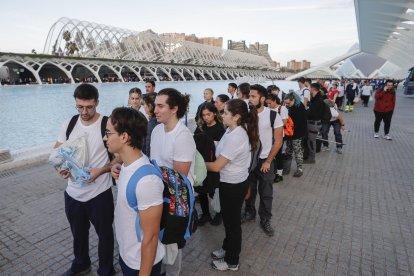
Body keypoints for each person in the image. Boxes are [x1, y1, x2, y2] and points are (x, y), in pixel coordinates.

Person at [54, 84, 115, 276]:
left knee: (105, 235)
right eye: (80, 107)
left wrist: (101, 170)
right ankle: (81, 263)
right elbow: (57, 152)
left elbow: (121, 156)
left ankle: (106, 270)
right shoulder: (69, 123)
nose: (84, 112)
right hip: (73, 193)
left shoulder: (108, 124)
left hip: (99, 193)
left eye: (89, 107)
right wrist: (60, 168)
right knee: (78, 235)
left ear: (97, 102)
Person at [104, 107, 164, 275]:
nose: (105, 137)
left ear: (124, 137)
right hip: (127, 254)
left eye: (108, 133)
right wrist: (117, 166)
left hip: (141, 264)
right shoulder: (127, 166)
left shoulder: (147, 182)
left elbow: (151, 238)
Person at [206, 99, 259, 271]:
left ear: (236, 116)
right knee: (229, 221)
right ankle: (227, 248)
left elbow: (216, 166)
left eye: (225, 113)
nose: (222, 115)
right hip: (230, 182)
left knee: (232, 224)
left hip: (233, 185)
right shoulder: (231, 130)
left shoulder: (237, 136)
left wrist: (196, 161)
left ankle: (232, 261)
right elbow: (222, 149)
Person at [151, 88, 196, 276]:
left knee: (172, 244)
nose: (155, 110)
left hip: (177, 199)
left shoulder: (183, 136)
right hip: (159, 194)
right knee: (158, 239)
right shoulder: (156, 130)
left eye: (161, 106)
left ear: (174, 109)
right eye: (155, 105)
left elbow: (179, 178)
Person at [243, 85, 283, 236]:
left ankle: (265, 219)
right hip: (249, 160)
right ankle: (249, 212)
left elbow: (278, 141)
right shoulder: (245, 115)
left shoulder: (273, 115)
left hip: (266, 159)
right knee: (250, 189)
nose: (250, 99)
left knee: (266, 192)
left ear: (262, 98)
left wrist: (268, 161)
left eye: (253, 96)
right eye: (249, 96)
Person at [194, 103, 225, 226]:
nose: (206, 117)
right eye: (203, 115)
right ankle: (206, 214)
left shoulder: (220, 129)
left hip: (214, 164)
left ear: (214, 114)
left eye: (208, 114)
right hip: (201, 164)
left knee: (215, 191)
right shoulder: (200, 127)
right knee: (201, 190)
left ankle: (219, 213)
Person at [283, 92, 308, 177]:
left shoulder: (299, 108)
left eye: (288, 103)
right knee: (288, 150)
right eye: (286, 103)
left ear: (293, 99)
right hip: (291, 134)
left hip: (297, 134)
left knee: (297, 151)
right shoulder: (292, 106)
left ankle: (300, 169)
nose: (287, 105)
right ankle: (286, 167)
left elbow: (297, 123)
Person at [265, 93, 288, 182]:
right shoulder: (268, 109)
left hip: (278, 136)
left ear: (275, 101)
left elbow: (284, 123)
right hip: (269, 136)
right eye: (267, 103)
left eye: (270, 103)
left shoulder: (282, 108)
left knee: (278, 155)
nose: (268, 105)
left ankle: (279, 173)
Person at [304, 83, 324, 164]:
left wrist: (305, 112)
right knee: (310, 140)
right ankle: (310, 157)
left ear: (313, 89)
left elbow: (313, 112)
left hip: (314, 123)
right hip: (313, 123)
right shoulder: (316, 98)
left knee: (312, 141)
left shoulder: (318, 100)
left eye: (309, 87)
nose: (309, 89)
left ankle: (312, 159)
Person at [142, 93, 159, 157]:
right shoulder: (157, 121)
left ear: (149, 106)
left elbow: (148, 145)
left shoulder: (152, 123)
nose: (143, 107)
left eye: (144, 104)